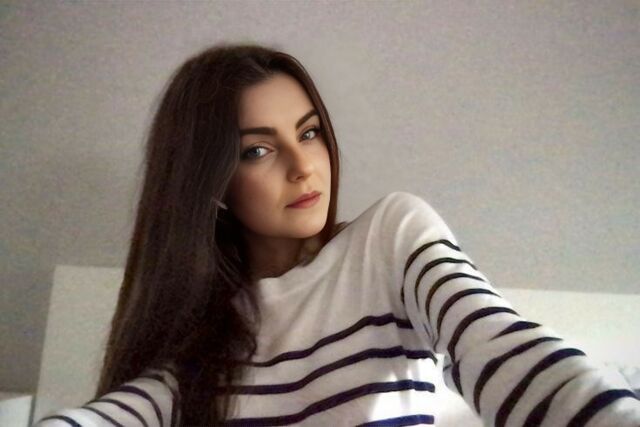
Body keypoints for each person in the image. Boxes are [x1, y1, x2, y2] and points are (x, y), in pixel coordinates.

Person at [34, 42, 640, 427]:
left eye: (309, 133)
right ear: (210, 185)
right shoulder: (204, 342)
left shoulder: (389, 238)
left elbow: (496, 343)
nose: (304, 166)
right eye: (258, 150)